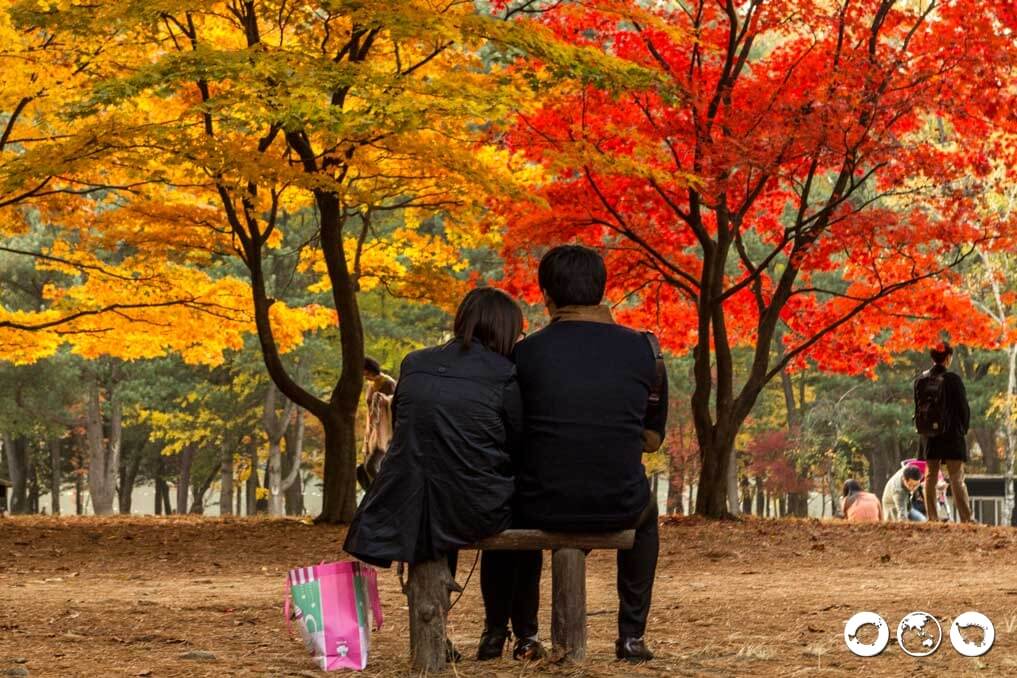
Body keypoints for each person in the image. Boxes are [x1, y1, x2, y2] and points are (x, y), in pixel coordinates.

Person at [478, 245, 668, 663]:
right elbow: (653, 437)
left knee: (510, 505)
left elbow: (511, 431)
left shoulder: (524, 354)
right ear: (602, 290)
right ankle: (631, 636)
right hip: (618, 503)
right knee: (647, 516)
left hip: (540, 502)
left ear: (546, 294)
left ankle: (513, 633)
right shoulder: (646, 351)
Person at [343, 286, 524, 569]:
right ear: (505, 329)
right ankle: (505, 615)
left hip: (407, 503)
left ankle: (433, 611)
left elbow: (405, 424)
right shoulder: (506, 373)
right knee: (515, 516)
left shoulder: (414, 363)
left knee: (436, 504)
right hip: (475, 508)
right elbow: (517, 441)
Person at [915, 341, 973, 523]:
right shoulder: (953, 380)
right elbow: (963, 407)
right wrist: (963, 428)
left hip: (929, 436)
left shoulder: (920, 380)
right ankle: (965, 518)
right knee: (956, 476)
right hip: (952, 434)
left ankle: (932, 517)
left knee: (931, 475)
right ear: (948, 358)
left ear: (932, 358)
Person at [356, 357, 398, 490]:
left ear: (368, 370)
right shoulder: (370, 385)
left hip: (386, 432)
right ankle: (375, 495)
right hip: (373, 431)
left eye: (364, 372)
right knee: (364, 468)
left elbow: (395, 405)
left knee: (371, 465)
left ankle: (383, 494)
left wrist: (383, 400)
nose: (363, 375)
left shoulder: (388, 383)